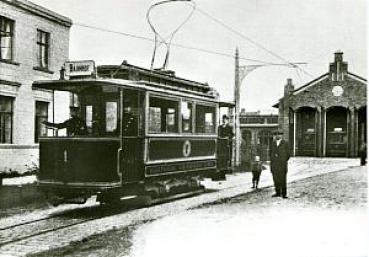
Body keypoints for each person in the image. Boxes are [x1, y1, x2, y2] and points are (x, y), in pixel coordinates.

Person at [270, 130, 290, 198]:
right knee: (276, 179)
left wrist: (283, 160)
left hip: (282, 165)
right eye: (276, 134)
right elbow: (270, 153)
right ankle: (277, 192)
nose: (277, 136)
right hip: (274, 165)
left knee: (283, 179)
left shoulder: (285, 143)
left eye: (279, 134)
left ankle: (284, 194)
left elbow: (288, 154)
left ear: (282, 136)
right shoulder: (272, 143)